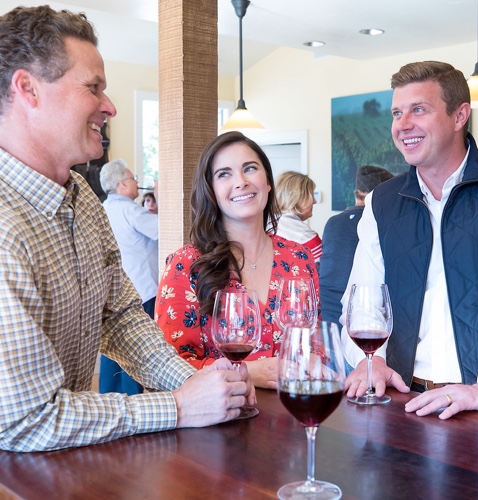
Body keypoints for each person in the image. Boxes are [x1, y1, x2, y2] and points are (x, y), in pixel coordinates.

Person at [0, 5, 254, 452]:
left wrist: (202, 386)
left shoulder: (80, 197)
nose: (109, 106)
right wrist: (177, 406)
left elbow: (118, 320)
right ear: (28, 89)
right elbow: (25, 420)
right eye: (93, 87)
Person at [341, 60, 478, 420]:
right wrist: (373, 362)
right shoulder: (381, 201)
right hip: (404, 402)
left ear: (460, 116)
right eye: (397, 112)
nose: (403, 124)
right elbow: (362, 300)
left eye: (419, 110)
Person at [155, 131, 319, 390]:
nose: (241, 181)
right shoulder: (186, 264)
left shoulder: (300, 257)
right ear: (211, 191)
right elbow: (165, 368)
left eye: (250, 168)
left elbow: (315, 344)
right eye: (224, 174)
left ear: (267, 182)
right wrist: (247, 372)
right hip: (219, 421)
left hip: (295, 414)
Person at [98, 159, 159, 395]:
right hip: (142, 289)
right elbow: (164, 228)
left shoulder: (102, 209)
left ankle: (110, 399)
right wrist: (162, 195)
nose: (136, 183)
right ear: (122, 184)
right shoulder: (131, 210)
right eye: (133, 179)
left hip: (112, 288)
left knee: (113, 350)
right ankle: (133, 402)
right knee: (136, 350)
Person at [320, 165, 393, 329]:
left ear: (356, 194)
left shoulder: (332, 223)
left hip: (327, 321)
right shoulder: (382, 225)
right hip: (365, 324)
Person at [275, 171, 322, 263]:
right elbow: (324, 270)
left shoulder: (266, 223)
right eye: (311, 195)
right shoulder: (305, 235)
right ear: (298, 198)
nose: (315, 201)